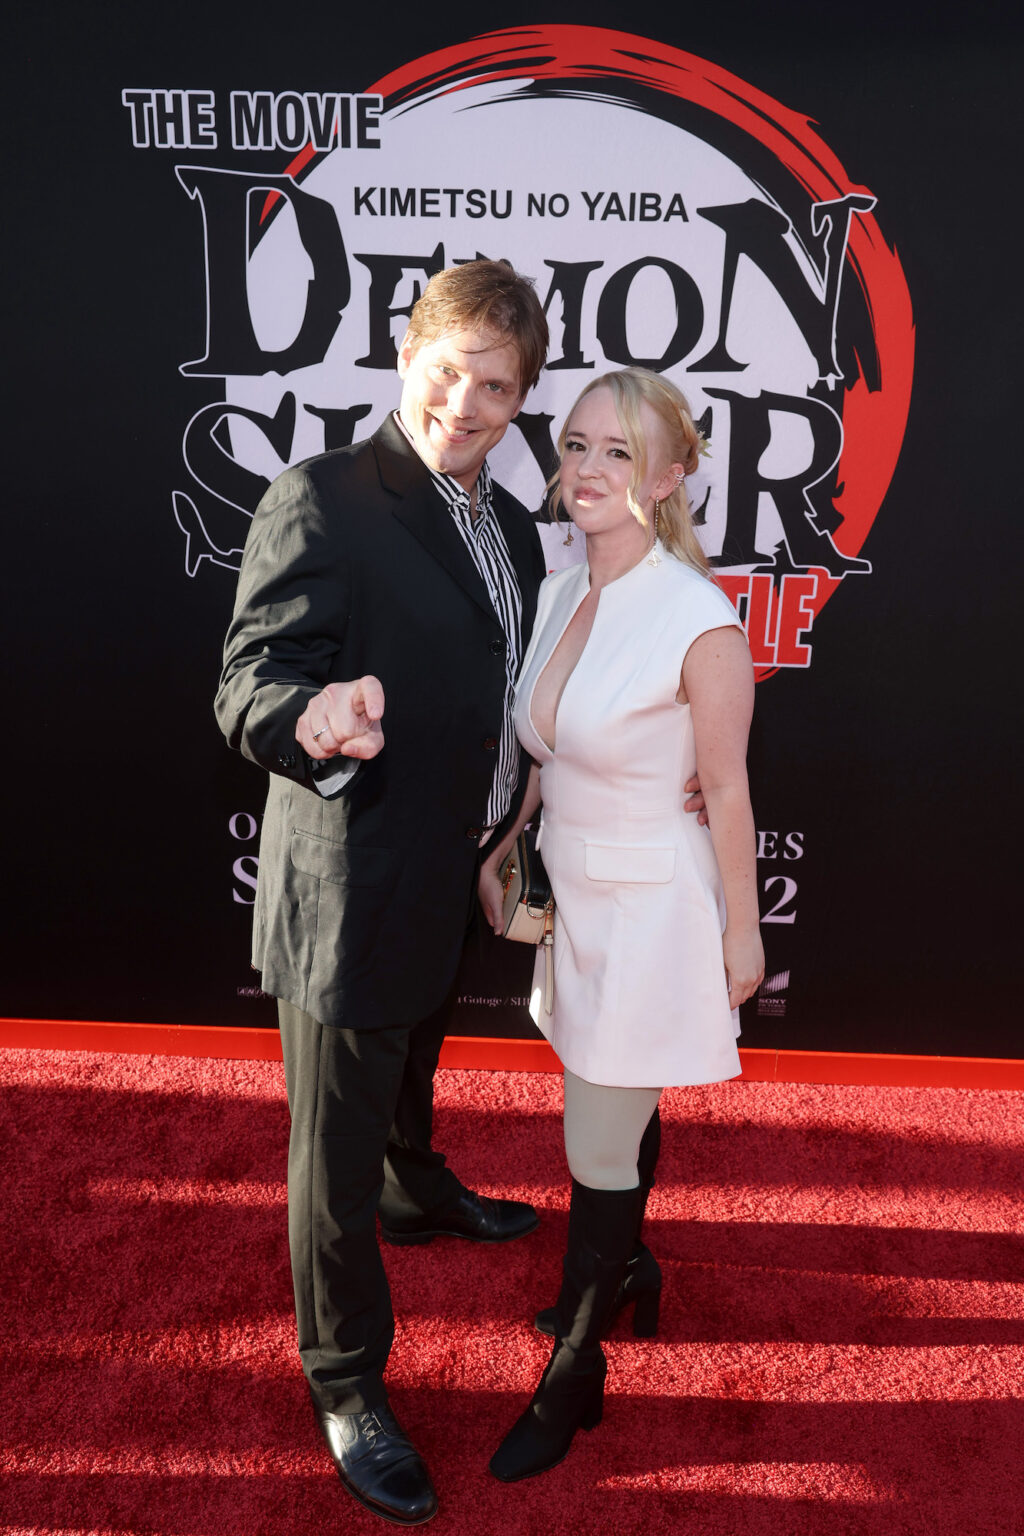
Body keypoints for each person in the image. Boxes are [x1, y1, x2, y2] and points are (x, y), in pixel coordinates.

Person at [214, 260, 552, 1527]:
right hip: (351, 877)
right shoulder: (325, 498)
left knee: (419, 1050)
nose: (464, 403)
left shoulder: (510, 523)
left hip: (449, 858)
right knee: (329, 1152)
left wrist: (510, 811)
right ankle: (345, 1378)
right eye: (448, 367)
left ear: (522, 400)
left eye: (497, 387)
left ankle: (422, 1189)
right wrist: (313, 711)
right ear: (406, 351)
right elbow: (245, 683)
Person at [478, 366, 765, 1482]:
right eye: (579, 445)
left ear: (670, 476)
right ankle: (629, 1264)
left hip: (653, 908)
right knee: (610, 1100)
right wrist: (513, 844)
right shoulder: (558, 590)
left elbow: (727, 791)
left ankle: (575, 1367)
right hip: (575, 898)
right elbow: (551, 749)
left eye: (619, 454)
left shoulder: (699, 618)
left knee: (592, 1141)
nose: (588, 472)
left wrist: (742, 936)